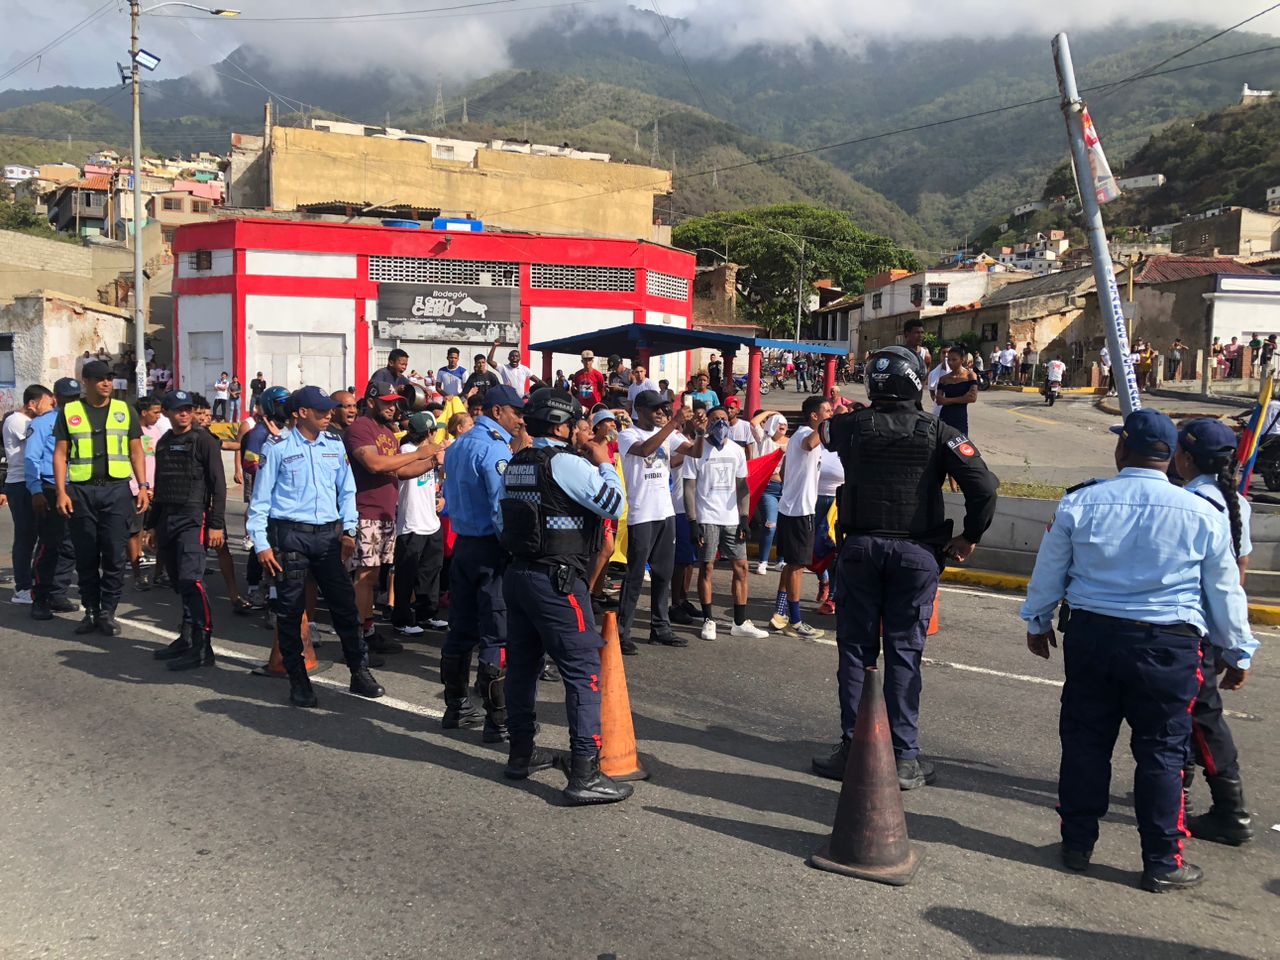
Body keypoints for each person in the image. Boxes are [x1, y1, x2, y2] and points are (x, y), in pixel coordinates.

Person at [1019, 409, 1256, 892]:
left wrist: (1038, 620)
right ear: (1170, 456)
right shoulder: (1203, 513)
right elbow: (1225, 592)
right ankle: (1162, 861)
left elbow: (1050, 571)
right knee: (1163, 754)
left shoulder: (1082, 502)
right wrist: (1237, 650)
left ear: (1121, 449)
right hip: (1169, 648)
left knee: (1086, 744)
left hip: (1093, 639)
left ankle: (1077, 845)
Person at [815, 346, 998, 784]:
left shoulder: (849, 427)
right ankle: (903, 756)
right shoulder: (939, 431)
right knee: (904, 653)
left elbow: (823, 429)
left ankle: (853, 748)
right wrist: (970, 536)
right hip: (916, 554)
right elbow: (984, 485)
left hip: (859, 551)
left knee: (856, 651)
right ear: (916, 382)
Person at [498, 388, 631, 804]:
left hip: (518, 573)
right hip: (556, 579)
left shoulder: (517, 462)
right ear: (561, 426)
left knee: (522, 667)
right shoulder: (568, 464)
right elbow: (615, 506)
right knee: (583, 671)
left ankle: (521, 753)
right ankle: (585, 771)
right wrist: (606, 463)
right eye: (579, 423)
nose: (585, 430)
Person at [246, 386, 385, 708]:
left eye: (328, 410)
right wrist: (262, 545)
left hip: (328, 537)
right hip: (290, 535)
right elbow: (260, 500)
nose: (328, 415)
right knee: (292, 612)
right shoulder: (277, 446)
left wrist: (349, 530)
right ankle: (298, 679)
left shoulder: (334, 446)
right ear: (301, 413)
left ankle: (358, 671)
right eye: (320, 410)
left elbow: (347, 490)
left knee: (345, 607)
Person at [1171, 420, 1256, 847]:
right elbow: (1235, 580)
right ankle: (1179, 795)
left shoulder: (1186, 503)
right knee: (1194, 715)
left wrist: (1236, 646)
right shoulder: (1237, 504)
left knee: (1199, 718)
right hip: (1215, 627)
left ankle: (1229, 811)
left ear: (1185, 459)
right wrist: (1234, 641)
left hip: (1190, 631)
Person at [439, 384, 526, 741]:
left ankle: (455, 705)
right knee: (496, 633)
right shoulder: (493, 449)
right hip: (491, 547)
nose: (520, 418)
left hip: (463, 545)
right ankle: (498, 720)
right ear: (496, 412)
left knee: (460, 628)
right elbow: (500, 504)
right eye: (515, 411)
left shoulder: (459, 444)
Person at [52, 359, 150, 636]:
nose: (106, 383)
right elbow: (60, 454)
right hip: (81, 492)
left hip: (116, 491)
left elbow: (136, 451)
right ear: (86, 382)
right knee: (85, 555)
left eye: (109, 378)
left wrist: (142, 486)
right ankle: (90, 611)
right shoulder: (70, 411)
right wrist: (61, 492)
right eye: (99, 379)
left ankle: (107, 611)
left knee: (114, 555)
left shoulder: (124, 409)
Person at [346, 381, 440, 654]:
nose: (392, 406)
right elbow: (374, 464)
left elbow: (399, 472)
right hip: (367, 511)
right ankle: (356, 637)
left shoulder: (387, 431)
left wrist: (431, 460)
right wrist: (422, 453)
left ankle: (368, 630)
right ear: (372, 401)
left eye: (395, 401)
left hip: (386, 514)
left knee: (373, 577)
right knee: (364, 576)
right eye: (387, 401)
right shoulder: (361, 428)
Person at [146, 391, 227, 671]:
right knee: (180, 582)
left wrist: (216, 524)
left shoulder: (204, 441)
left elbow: (219, 486)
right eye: (177, 409)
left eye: (187, 409)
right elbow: (160, 483)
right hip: (167, 516)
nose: (183, 413)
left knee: (193, 581)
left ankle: (204, 648)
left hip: (194, 516)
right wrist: (151, 525)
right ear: (166, 412)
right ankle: (187, 638)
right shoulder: (165, 442)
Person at [615, 390, 700, 654]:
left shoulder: (669, 433)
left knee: (663, 573)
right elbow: (644, 450)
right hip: (642, 514)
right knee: (635, 575)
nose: (661, 413)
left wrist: (701, 431)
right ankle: (622, 632)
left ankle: (660, 628)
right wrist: (673, 424)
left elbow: (695, 452)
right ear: (639, 411)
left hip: (665, 512)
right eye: (656, 409)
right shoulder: (628, 434)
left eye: (663, 409)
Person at [684, 405, 769, 641]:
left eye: (723, 418)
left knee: (741, 567)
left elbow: (742, 487)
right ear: (707, 423)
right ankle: (709, 619)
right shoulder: (697, 450)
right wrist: (693, 521)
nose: (720, 423)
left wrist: (744, 518)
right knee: (707, 567)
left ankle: (740, 622)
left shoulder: (737, 451)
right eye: (715, 419)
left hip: (731, 519)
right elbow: (689, 487)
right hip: (707, 517)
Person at [768, 395, 832, 639]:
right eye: (826, 411)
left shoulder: (797, 436)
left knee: (791, 564)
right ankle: (796, 621)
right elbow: (809, 444)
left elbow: (784, 472)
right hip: (800, 511)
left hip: (791, 507)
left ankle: (780, 613)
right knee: (797, 567)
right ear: (814, 416)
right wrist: (828, 425)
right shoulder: (806, 435)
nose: (830, 414)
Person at [25, 379, 81, 621]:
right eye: (67, 397)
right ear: (57, 398)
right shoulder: (43, 423)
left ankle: (58, 592)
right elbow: (31, 458)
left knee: (71, 546)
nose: (72, 401)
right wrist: (35, 490)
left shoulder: (84, 421)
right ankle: (40, 597)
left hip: (78, 487)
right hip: (49, 487)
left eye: (75, 397)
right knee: (49, 544)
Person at [391, 411, 449, 637]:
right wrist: (433, 458)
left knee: (431, 571)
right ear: (429, 432)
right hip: (411, 522)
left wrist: (442, 496)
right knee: (407, 573)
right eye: (435, 431)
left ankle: (427, 613)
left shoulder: (431, 452)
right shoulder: (406, 451)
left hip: (431, 521)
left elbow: (436, 479)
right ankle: (401, 619)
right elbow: (405, 472)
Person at [4, 384, 55, 603]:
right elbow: (40, 442)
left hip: (33, 482)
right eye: (48, 402)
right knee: (25, 537)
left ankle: (34, 582)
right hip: (20, 484)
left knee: (37, 536)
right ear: (32, 404)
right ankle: (22, 587)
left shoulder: (33, 421)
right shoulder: (17, 421)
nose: (51, 406)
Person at [130, 395, 170, 590]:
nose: (158, 416)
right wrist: (141, 487)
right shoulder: (131, 430)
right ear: (144, 412)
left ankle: (158, 574)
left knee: (158, 529)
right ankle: (137, 574)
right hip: (137, 488)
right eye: (155, 412)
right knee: (135, 531)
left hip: (155, 488)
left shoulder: (155, 431)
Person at [751, 411, 788, 576]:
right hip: (768, 488)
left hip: (786, 488)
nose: (783, 426)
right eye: (779, 423)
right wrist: (771, 412)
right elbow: (753, 423)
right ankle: (763, 561)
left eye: (785, 424)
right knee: (770, 523)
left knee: (784, 526)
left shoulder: (791, 442)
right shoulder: (764, 440)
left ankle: (781, 559)